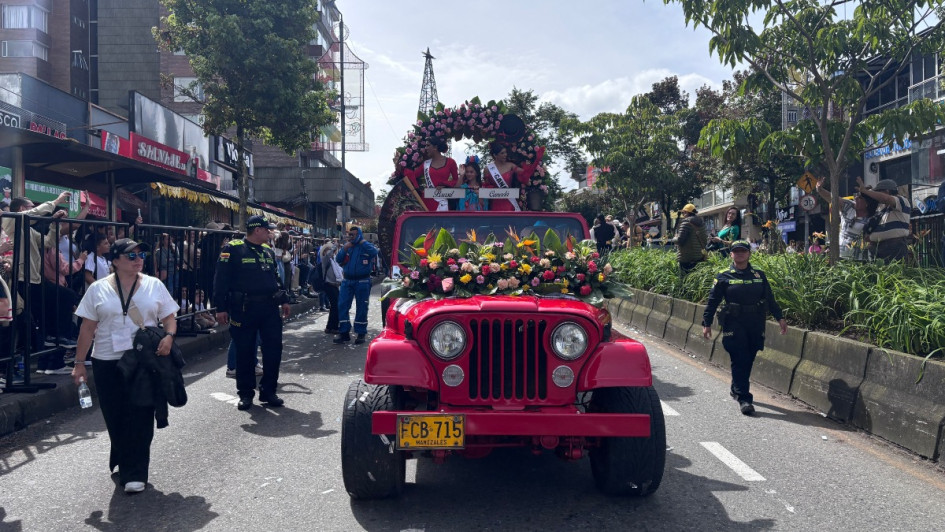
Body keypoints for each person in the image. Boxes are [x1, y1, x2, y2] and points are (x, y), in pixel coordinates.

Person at [72, 238, 179, 494]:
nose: (139, 259)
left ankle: (135, 472)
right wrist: (79, 363)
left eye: (142, 255)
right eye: (131, 256)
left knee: (141, 413)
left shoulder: (154, 285)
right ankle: (122, 456)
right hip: (107, 360)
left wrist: (169, 336)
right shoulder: (97, 289)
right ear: (115, 261)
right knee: (115, 414)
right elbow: (87, 328)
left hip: (143, 360)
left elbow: (169, 317)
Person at [213, 215, 291, 410]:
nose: (270, 233)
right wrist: (220, 307)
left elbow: (275, 278)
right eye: (267, 229)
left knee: (273, 350)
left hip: (269, 308)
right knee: (245, 351)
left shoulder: (267, 251)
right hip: (244, 308)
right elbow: (220, 280)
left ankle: (268, 391)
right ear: (257, 230)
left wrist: (284, 299)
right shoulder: (233, 249)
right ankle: (246, 393)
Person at [702, 240, 787, 416]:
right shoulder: (723, 276)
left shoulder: (759, 275)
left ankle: (736, 387)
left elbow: (770, 299)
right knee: (740, 356)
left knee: (749, 357)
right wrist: (706, 323)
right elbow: (712, 301)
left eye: (743, 251)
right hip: (734, 322)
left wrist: (780, 318)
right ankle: (744, 398)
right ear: (731, 254)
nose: (740, 254)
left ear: (749, 254)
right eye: (736, 251)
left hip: (755, 321)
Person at [333, 226, 377, 345]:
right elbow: (338, 259)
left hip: (362, 281)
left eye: (353, 234)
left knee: (362, 307)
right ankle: (344, 332)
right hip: (347, 280)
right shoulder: (348, 247)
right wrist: (345, 248)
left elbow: (374, 252)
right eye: (350, 234)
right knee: (342, 305)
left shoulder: (365, 246)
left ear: (359, 235)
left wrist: (362, 242)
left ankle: (361, 333)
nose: (351, 237)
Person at [815, 177, 876, 260]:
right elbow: (832, 198)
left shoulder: (873, 218)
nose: (856, 198)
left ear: (867, 203)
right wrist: (820, 189)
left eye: (860, 198)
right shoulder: (848, 206)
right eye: (856, 195)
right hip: (839, 256)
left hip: (859, 260)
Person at [404, 138, 458, 211]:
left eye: (428, 145)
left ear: (435, 147)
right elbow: (412, 176)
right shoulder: (426, 164)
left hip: (443, 199)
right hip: (428, 201)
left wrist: (445, 184)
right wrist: (404, 165)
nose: (426, 148)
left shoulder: (450, 162)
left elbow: (456, 181)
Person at [674, 204, 708, 276]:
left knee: (685, 279)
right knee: (696, 278)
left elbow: (679, 240)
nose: (683, 215)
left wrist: (674, 238)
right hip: (699, 257)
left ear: (687, 212)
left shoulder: (686, 223)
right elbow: (705, 240)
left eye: (683, 213)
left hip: (686, 258)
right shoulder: (702, 224)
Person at [321, 239, 341, 334]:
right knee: (336, 306)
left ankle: (330, 326)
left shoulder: (334, 261)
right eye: (328, 250)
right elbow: (328, 254)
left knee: (334, 306)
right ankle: (334, 327)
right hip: (329, 285)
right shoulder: (325, 259)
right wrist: (335, 246)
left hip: (334, 285)